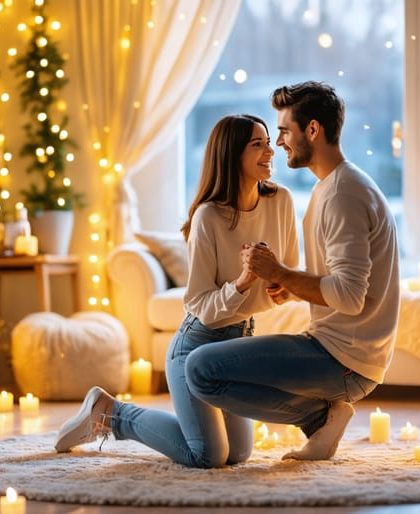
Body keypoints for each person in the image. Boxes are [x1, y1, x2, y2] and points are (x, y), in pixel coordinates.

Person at [54, 114, 299, 468]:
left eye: (267, 142)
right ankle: (110, 413)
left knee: (240, 454)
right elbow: (199, 304)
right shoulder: (209, 217)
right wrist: (245, 281)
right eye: (257, 144)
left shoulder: (282, 201)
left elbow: (288, 273)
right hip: (196, 346)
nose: (269, 151)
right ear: (231, 154)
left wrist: (280, 285)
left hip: (237, 346)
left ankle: (120, 414)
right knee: (207, 455)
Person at [184, 81, 400, 461]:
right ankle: (321, 418)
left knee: (201, 368)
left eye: (283, 131)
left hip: (344, 360)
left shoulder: (342, 196)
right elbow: (337, 284)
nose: (278, 143)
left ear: (312, 130)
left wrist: (281, 273)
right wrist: (292, 287)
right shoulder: (330, 189)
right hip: (344, 352)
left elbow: (350, 297)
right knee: (203, 369)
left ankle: (320, 418)